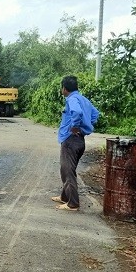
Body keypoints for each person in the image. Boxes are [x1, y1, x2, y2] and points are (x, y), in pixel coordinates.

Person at [52, 75, 99, 211]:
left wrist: (75, 126)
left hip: (70, 140)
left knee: (68, 171)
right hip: (79, 140)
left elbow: (77, 112)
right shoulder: (83, 99)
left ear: (64, 89)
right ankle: (65, 197)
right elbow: (95, 114)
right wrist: (85, 126)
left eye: (62, 87)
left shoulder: (72, 99)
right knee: (66, 169)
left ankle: (73, 203)